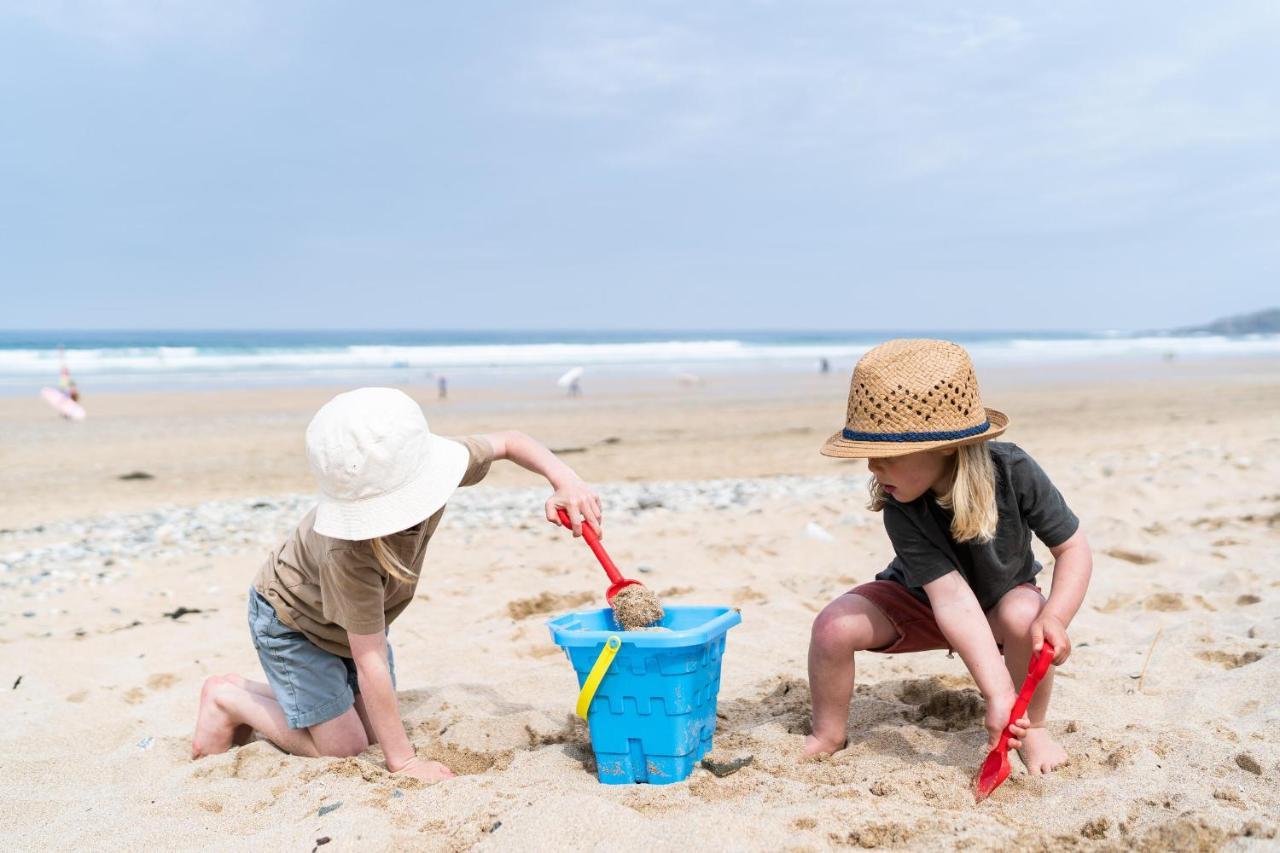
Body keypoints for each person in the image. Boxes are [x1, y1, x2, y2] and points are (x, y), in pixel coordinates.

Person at [191, 387, 603, 782]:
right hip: (294, 622)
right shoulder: (348, 553)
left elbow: (512, 442)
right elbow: (369, 660)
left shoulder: (436, 467)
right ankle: (228, 698)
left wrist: (565, 480)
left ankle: (277, 697)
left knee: (374, 729)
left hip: (351, 623)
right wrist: (403, 762)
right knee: (346, 746)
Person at [804, 339, 1091, 776]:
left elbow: (1072, 548)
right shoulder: (898, 500)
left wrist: (1057, 616)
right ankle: (828, 733)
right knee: (832, 628)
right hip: (922, 602)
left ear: (943, 446)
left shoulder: (1014, 471)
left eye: (886, 456)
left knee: (1024, 615)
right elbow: (952, 598)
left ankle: (1032, 727)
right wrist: (996, 695)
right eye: (868, 454)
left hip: (998, 607)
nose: (871, 469)